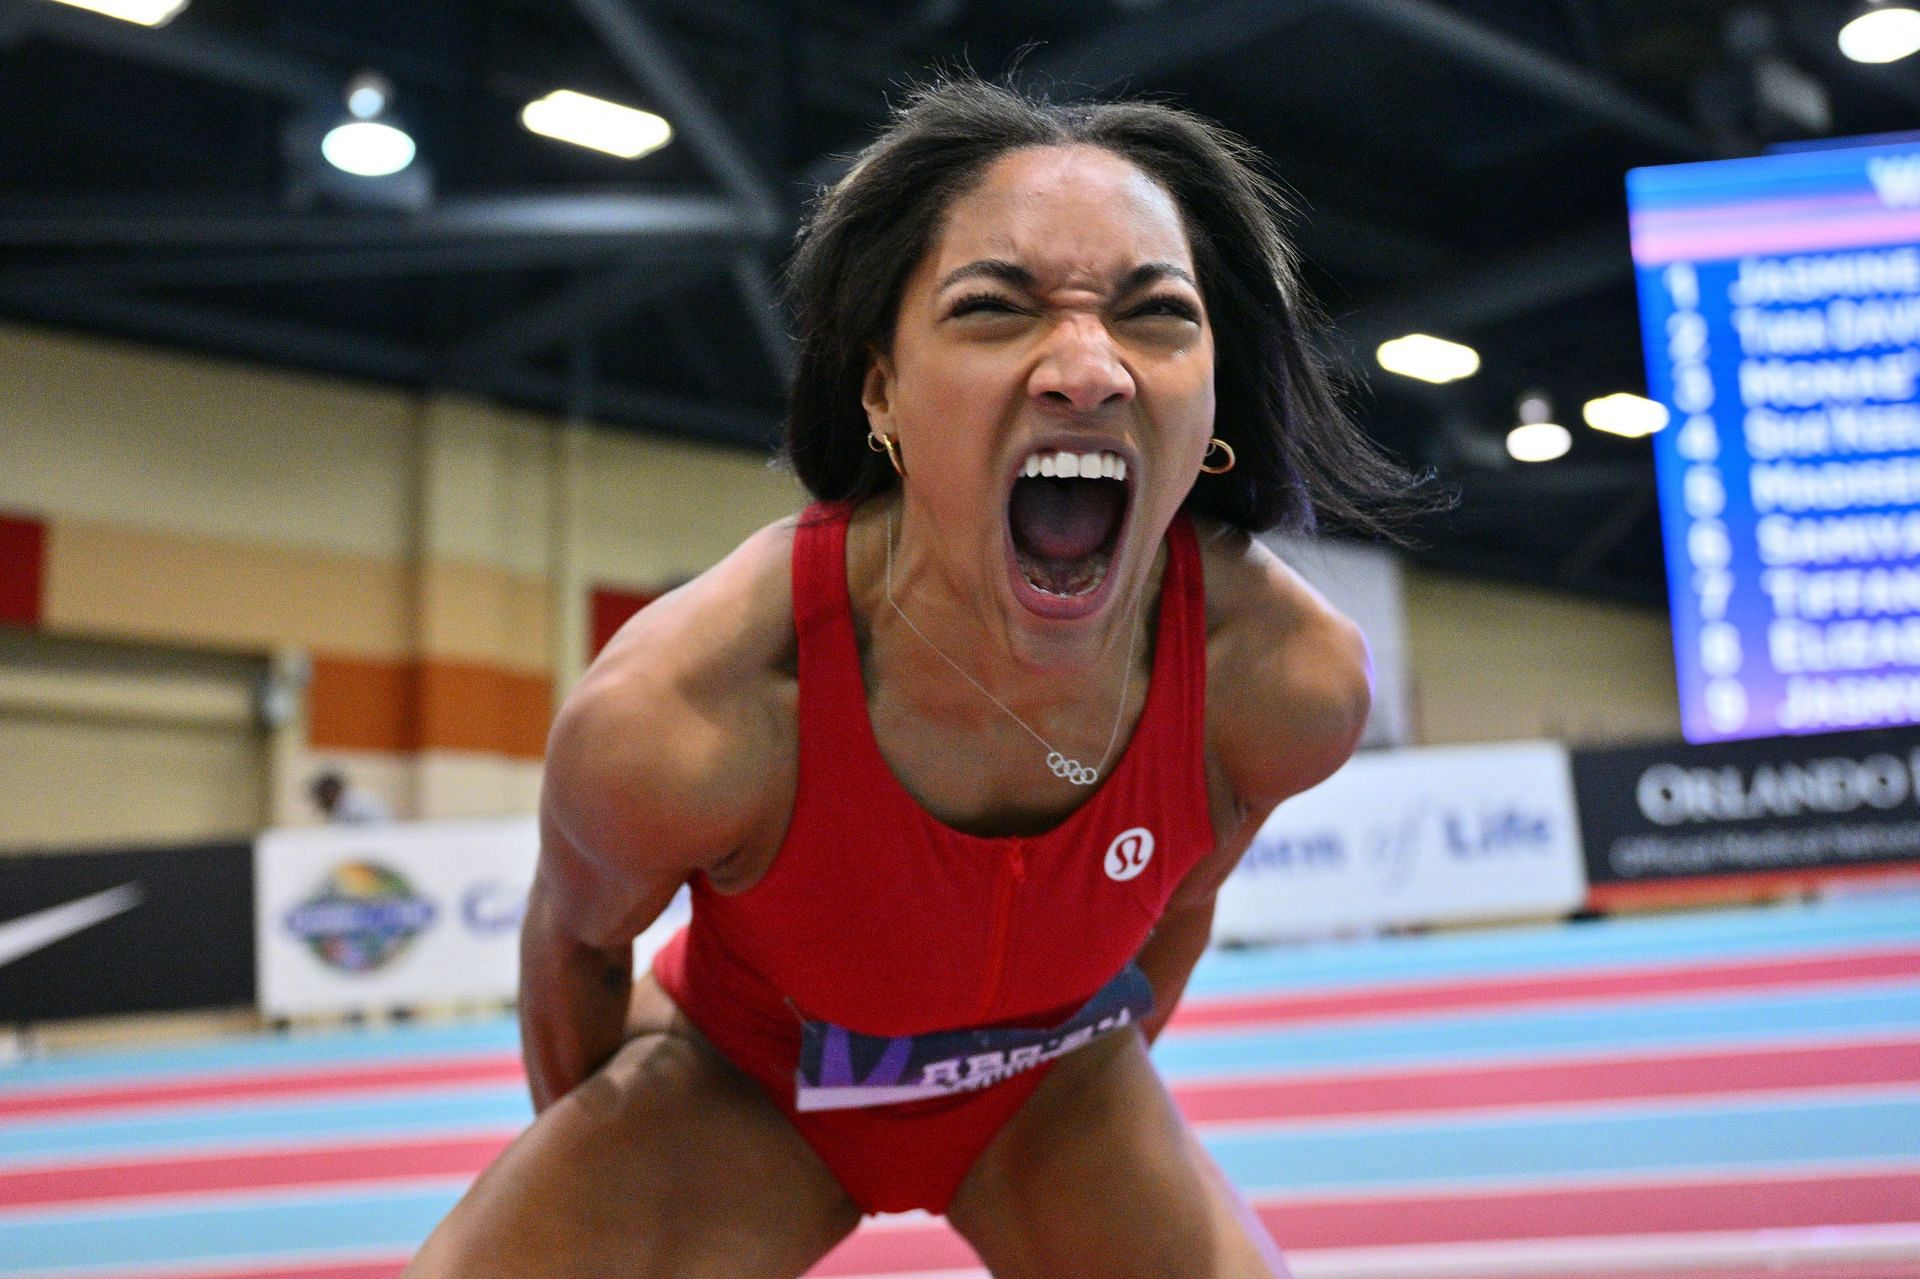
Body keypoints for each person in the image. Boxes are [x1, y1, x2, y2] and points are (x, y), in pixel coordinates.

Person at [405, 78, 1415, 1278]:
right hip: (746, 1087)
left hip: (1051, 1087)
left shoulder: (1286, 682)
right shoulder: (684, 711)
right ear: (880, 389)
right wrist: (592, 1176)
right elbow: (575, 943)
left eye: (1157, 315)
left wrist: (1092, 1094)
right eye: (996, 308)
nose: (1089, 369)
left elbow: (1179, 905)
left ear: (1210, 404)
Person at [308, 769, 392, 825]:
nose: (322, 801)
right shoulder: (340, 805)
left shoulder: (354, 803)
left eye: (322, 796)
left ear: (330, 793)